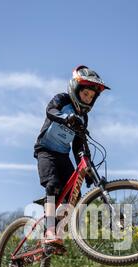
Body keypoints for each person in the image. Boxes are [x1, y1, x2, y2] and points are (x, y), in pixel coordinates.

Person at [33, 65, 110, 249]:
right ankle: (49, 230)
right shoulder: (61, 99)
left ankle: (56, 236)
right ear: (75, 90)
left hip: (62, 155)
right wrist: (66, 118)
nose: (88, 99)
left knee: (74, 195)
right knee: (53, 185)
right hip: (46, 151)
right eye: (85, 94)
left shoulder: (83, 118)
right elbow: (50, 111)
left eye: (92, 97)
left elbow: (78, 146)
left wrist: (87, 169)